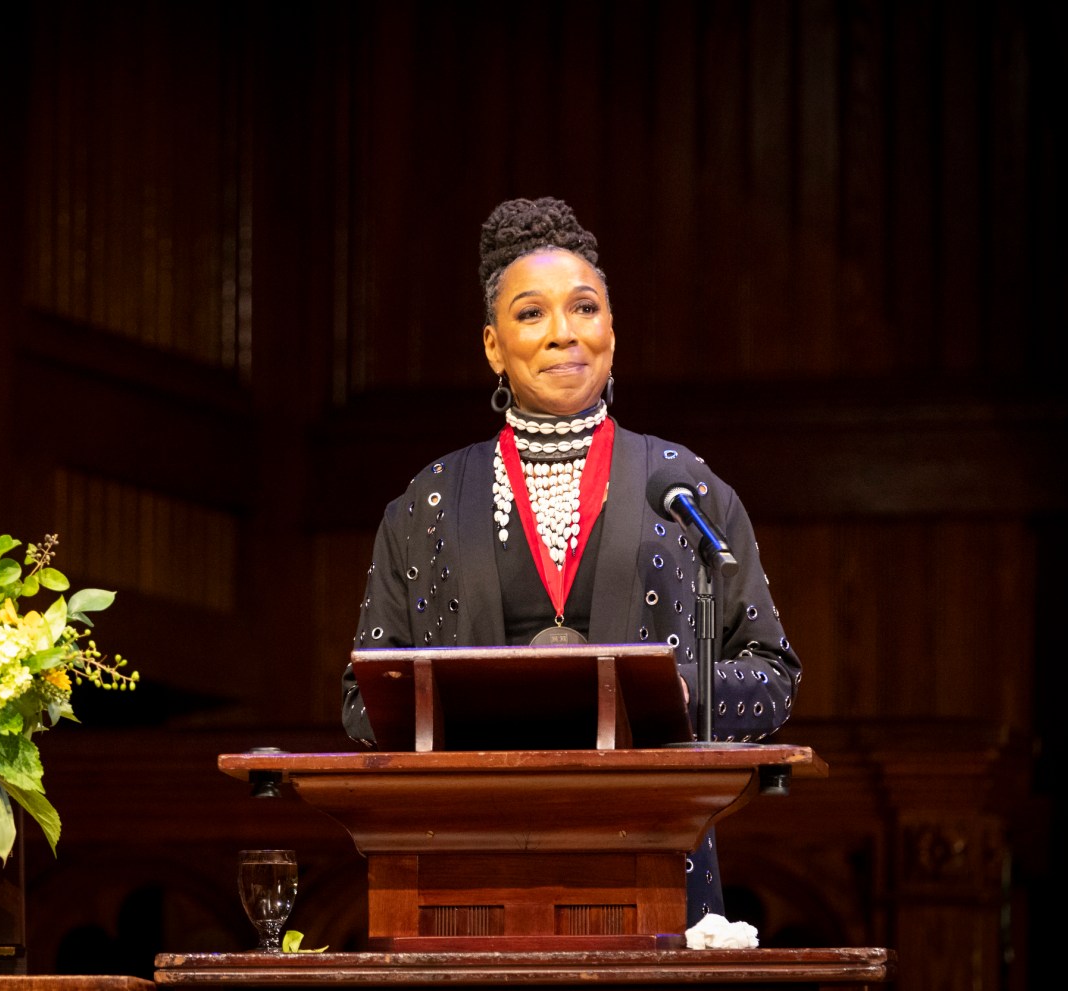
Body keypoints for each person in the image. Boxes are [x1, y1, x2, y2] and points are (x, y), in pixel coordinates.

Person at [340, 196, 801, 923]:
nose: (563, 332)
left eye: (584, 307)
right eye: (531, 314)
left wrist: (669, 692)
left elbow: (773, 675)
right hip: (468, 868)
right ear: (493, 346)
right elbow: (360, 699)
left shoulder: (684, 490)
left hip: (653, 861)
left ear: (612, 329)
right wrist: (466, 706)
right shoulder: (426, 503)